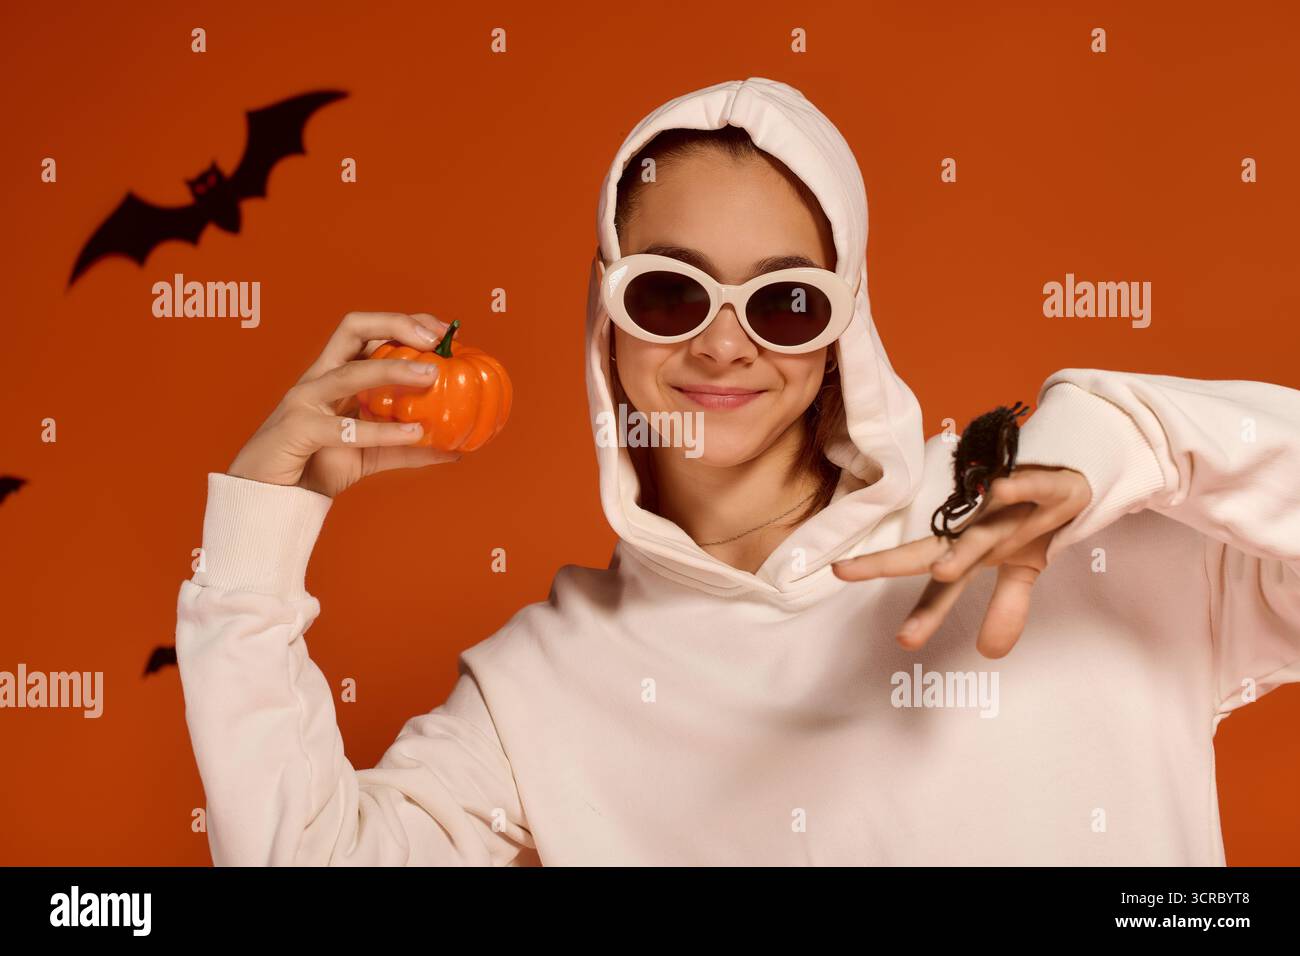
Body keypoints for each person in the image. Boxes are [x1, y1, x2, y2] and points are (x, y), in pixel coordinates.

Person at [175, 76, 1300, 866]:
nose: (724, 344)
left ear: (842, 328)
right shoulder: (541, 688)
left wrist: (1128, 436)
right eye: (669, 291)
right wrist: (258, 536)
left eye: (783, 301)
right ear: (605, 316)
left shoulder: (1049, 516)